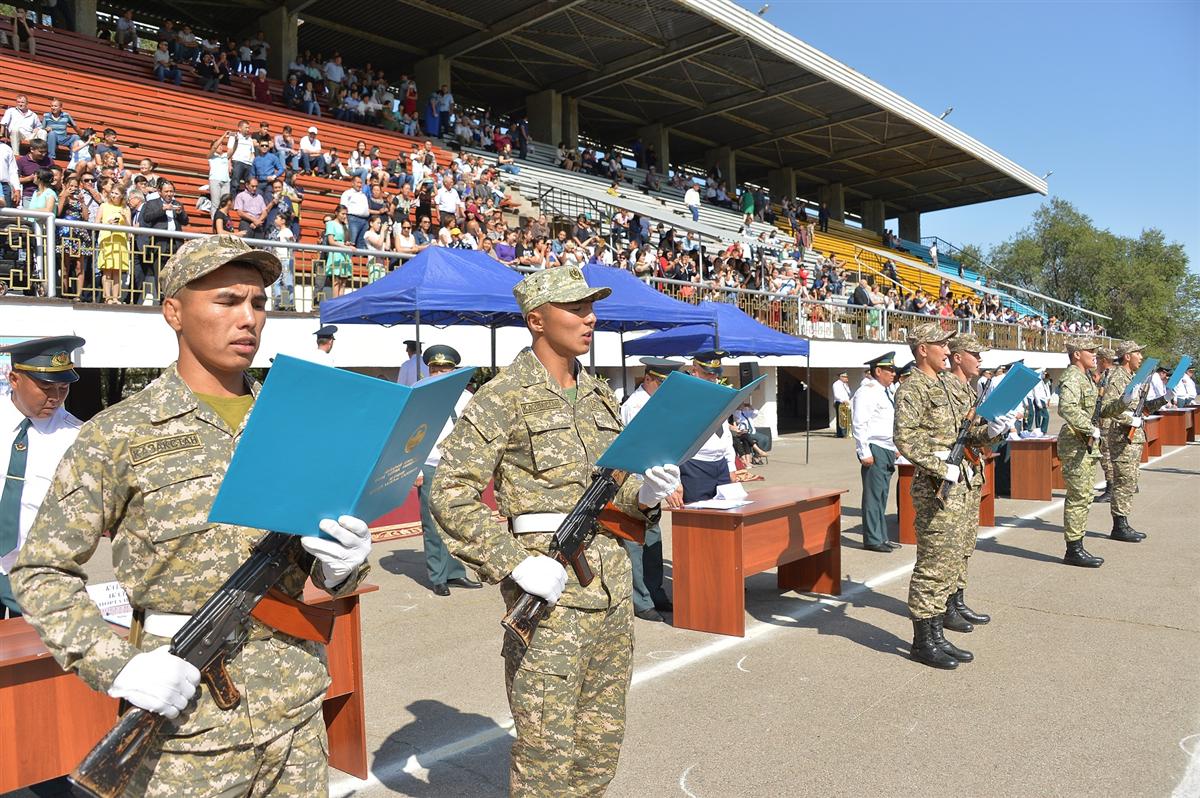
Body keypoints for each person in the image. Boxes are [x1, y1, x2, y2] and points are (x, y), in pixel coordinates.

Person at [11, 236, 372, 794]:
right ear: (174, 312)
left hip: (294, 709)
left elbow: (307, 566)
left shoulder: (295, 425)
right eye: (227, 301)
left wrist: (341, 566)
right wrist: (117, 664)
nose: (248, 318)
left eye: (258, 303)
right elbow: (40, 570)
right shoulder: (119, 434)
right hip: (186, 721)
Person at [431, 266, 679, 796]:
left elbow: (618, 488)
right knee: (547, 756)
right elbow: (449, 491)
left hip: (611, 591)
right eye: (575, 308)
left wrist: (647, 494)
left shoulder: (598, 393)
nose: (589, 318)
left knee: (598, 749)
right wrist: (513, 561)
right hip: (551, 595)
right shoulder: (502, 396)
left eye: (591, 307)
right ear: (537, 320)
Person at [893, 323, 1008, 670]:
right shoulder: (912, 388)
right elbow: (905, 438)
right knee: (933, 565)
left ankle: (938, 633)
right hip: (936, 490)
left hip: (961, 485)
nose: (947, 349)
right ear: (922, 349)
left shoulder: (944, 385)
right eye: (940, 344)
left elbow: (966, 432)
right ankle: (922, 641)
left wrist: (991, 431)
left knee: (952, 558)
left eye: (947, 344)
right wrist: (940, 464)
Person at [0, 336, 85, 617]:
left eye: (63, 388)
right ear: (14, 379)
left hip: (39, 580)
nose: (56, 398)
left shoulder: (79, 439)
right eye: (46, 387)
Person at [944, 333, 1009, 627]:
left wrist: (996, 429)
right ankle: (944, 606)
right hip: (953, 478)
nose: (980, 359)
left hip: (970, 476)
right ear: (958, 357)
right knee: (950, 546)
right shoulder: (945, 389)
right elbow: (952, 437)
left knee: (965, 544)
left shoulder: (972, 392)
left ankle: (957, 600)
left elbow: (976, 436)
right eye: (975, 354)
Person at [413, 345, 482, 597]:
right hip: (431, 465)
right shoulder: (420, 395)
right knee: (432, 524)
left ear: (455, 371)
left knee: (457, 522)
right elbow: (410, 436)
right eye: (434, 369)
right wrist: (414, 469)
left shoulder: (465, 397)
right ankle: (438, 576)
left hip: (458, 468)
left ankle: (456, 572)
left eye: (445, 369)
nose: (439, 374)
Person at [620, 357, 684, 622]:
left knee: (653, 543)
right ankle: (641, 600)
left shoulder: (656, 404)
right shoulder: (635, 406)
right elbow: (642, 451)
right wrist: (661, 485)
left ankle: (655, 593)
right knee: (635, 543)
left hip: (653, 483)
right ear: (648, 379)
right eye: (661, 383)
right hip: (636, 484)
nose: (665, 390)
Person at [1056, 337, 1111, 566]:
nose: (1094, 354)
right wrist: (1090, 428)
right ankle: (1073, 550)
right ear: (1077, 354)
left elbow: (1098, 410)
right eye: (1090, 350)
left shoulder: (1085, 377)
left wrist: (1123, 403)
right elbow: (1066, 407)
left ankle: (1078, 544)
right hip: (1076, 444)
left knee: (1085, 496)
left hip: (1086, 444)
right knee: (1078, 497)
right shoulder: (1072, 376)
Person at [1101, 340, 1150, 544]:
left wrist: (1165, 397)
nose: (1141, 357)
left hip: (1133, 437)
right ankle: (1119, 525)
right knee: (1123, 482)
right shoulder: (1117, 377)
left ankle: (1124, 521)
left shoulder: (1133, 377)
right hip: (1122, 437)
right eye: (1137, 353)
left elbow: (1143, 407)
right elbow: (1107, 408)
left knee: (1130, 481)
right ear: (1127, 356)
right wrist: (1130, 419)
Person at [852, 351, 900, 553]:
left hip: (886, 448)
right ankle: (873, 538)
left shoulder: (883, 391)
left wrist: (895, 448)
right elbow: (859, 423)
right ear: (878, 371)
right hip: (875, 447)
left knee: (881, 496)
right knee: (873, 496)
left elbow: (888, 423)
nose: (893, 374)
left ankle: (881, 536)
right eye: (889, 370)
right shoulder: (868, 391)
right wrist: (863, 451)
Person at [678, 351, 738, 503]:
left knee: (726, 517)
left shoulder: (719, 393)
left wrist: (731, 466)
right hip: (695, 465)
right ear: (694, 371)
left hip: (721, 464)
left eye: (715, 375)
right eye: (707, 374)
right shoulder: (683, 396)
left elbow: (724, 432)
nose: (713, 379)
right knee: (697, 520)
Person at [96, 185, 131, 304]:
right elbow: (96, 224)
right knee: (107, 270)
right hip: (107, 240)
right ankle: (107, 297)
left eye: (116, 193)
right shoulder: (104, 206)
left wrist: (125, 218)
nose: (113, 195)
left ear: (122, 195)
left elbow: (130, 230)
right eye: (112, 193)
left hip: (120, 240)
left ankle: (116, 297)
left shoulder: (126, 208)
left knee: (117, 271)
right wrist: (107, 223)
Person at [1093, 346, 1117, 503]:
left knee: (1106, 454)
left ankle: (1111, 488)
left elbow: (1102, 400)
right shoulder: (1116, 373)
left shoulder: (1108, 376)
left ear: (1103, 360)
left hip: (1105, 422)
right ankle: (1115, 485)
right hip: (1112, 420)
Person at [832, 371, 852, 438]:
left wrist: (847, 386)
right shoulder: (836, 384)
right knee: (840, 419)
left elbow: (849, 393)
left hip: (846, 402)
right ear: (841, 377)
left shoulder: (845, 384)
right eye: (845, 377)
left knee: (847, 418)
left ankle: (846, 432)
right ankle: (840, 433)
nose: (846, 378)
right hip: (840, 402)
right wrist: (843, 400)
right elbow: (836, 395)